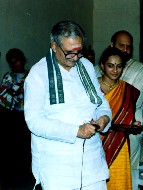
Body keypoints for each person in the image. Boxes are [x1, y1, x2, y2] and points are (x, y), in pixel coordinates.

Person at [24, 20, 112, 190]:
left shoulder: (86, 66)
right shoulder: (38, 74)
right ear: (54, 46)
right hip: (57, 165)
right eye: (69, 52)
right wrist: (75, 131)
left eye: (79, 51)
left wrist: (104, 117)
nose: (75, 57)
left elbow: (101, 101)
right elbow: (34, 121)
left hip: (91, 161)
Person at [96, 30, 143, 190]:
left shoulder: (128, 87)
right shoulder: (92, 85)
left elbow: (132, 107)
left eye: (119, 66)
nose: (114, 70)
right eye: (110, 66)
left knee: (120, 179)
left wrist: (131, 121)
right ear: (102, 66)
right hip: (96, 140)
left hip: (120, 139)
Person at [0, 48, 31, 187]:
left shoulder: (31, 74)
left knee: (27, 147)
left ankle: (27, 173)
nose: (15, 64)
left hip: (29, 116)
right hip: (13, 117)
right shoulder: (8, 77)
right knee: (14, 148)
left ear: (22, 59)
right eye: (12, 63)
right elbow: (3, 98)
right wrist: (19, 89)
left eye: (17, 61)